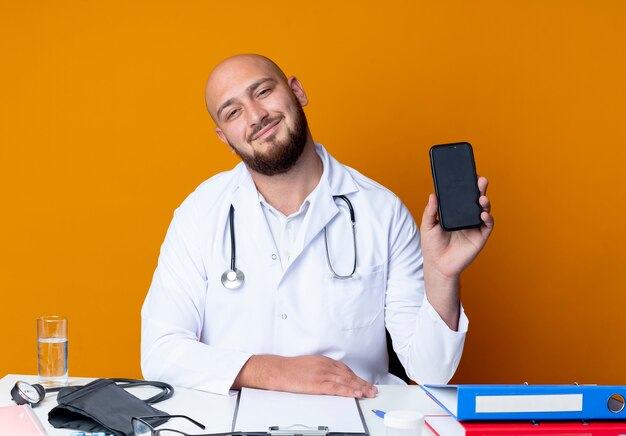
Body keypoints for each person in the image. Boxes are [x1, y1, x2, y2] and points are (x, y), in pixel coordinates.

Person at [141, 54, 493, 397]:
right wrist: (271, 371)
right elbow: (159, 352)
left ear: (297, 91)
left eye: (263, 91)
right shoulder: (200, 213)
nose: (256, 115)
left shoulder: (382, 211)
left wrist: (443, 276)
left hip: (356, 416)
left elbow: (431, 370)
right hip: (236, 421)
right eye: (233, 112)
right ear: (224, 137)